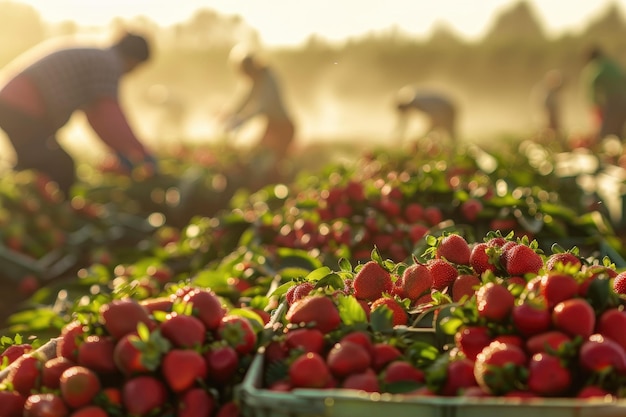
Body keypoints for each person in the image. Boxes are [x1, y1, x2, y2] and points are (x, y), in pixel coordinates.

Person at [0, 31, 158, 197]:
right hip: (21, 108)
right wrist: (140, 151)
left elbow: (97, 117)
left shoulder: (99, 57)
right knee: (60, 167)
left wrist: (121, 149)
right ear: (134, 60)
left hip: (14, 105)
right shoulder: (109, 63)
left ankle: (27, 204)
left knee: (36, 162)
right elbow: (108, 114)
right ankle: (53, 212)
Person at [222, 49, 295, 176]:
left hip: (283, 128)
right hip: (272, 127)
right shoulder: (257, 79)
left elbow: (262, 107)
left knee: (272, 163)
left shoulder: (269, 79)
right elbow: (246, 99)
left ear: (251, 68)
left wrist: (240, 120)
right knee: (259, 158)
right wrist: (230, 114)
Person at [581, 46, 626, 142]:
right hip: (623, 100)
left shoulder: (597, 67)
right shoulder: (612, 64)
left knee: (605, 134)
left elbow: (591, 85)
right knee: (618, 132)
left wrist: (595, 105)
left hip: (614, 101)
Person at [394, 86, 458, 144]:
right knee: (438, 133)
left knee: (449, 131)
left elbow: (434, 117)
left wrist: (427, 133)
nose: (404, 113)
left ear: (404, 107)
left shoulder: (418, 102)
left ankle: (454, 149)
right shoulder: (412, 100)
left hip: (447, 108)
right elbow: (403, 123)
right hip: (444, 107)